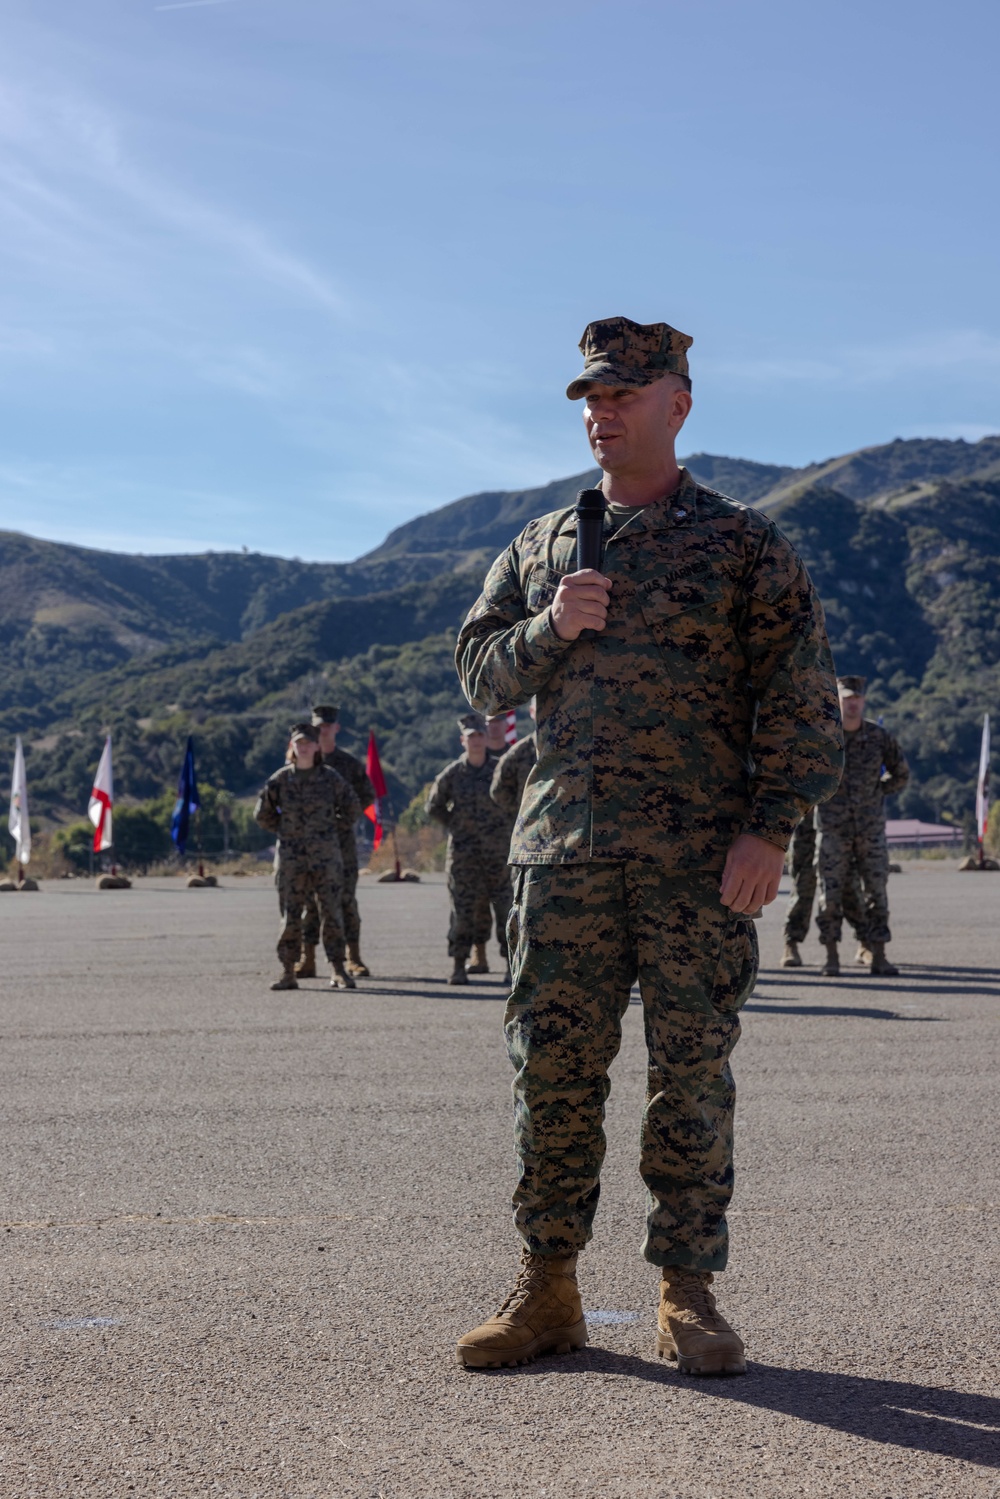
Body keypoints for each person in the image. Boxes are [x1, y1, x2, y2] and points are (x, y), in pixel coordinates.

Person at [454, 315, 843, 1375]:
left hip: (695, 862)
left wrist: (769, 828)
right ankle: (547, 1288)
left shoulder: (742, 541)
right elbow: (477, 674)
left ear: (678, 402)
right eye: (589, 396)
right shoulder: (538, 546)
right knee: (553, 1076)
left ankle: (687, 1292)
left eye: (623, 392)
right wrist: (549, 627)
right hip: (560, 854)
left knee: (691, 1075)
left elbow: (800, 699)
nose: (601, 410)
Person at [254, 722, 361, 992]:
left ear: (316, 746)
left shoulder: (330, 778)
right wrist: (284, 830)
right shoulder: (280, 780)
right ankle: (288, 970)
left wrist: (328, 830)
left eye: (307, 743)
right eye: (298, 743)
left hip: (325, 858)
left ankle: (338, 969)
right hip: (291, 859)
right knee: (291, 915)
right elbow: (262, 814)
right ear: (292, 747)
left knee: (331, 913)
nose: (303, 747)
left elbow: (351, 809)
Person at [815, 676, 909, 977]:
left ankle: (878, 955)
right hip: (833, 829)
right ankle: (831, 957)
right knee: (830, 894)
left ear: (863, 701)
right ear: (837, 700)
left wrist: (878, 791)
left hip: (870, 831)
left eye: (856, 698)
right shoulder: (825, 736)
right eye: (846, 698)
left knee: (877, 892)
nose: (852, 703)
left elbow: (901, 774)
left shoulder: (879, 737)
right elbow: (804, 776)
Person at [425, 712, 515, 985]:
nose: (476, 741)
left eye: (480, 735)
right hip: (464, 857)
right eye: (470, 737)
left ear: (487, 738)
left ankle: (513, 968)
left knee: (506, 912)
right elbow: (433, 807)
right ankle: (459, 965)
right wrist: (456, 825)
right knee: (462, 912)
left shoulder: (501, 770)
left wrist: (506, 827)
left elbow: (517, 800)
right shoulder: (453, 774)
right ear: (462, 741)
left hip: (498, 855)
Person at [296, 706, 375, 980]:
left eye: (328, 725)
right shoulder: (304, 762)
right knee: (309, 902)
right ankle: (308, 958)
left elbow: (366, 795)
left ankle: (353, 957)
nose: (324, 730)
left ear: (336, 728)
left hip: (342, 844)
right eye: (319, 726)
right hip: (309, 846)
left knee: (345, 901)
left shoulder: (348, 764)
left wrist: (339, 821)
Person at [781, 807, 868, 968]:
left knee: (850, 886)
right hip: (805, 827)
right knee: (802, 887)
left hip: (837, 824)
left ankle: (865, 943)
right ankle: (791, 944)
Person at [489, 701, 537, 826]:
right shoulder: (518, 753)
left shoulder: (570, 747)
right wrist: (520, 810)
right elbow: (498, 791)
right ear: (532, 712)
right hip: (529, 829)